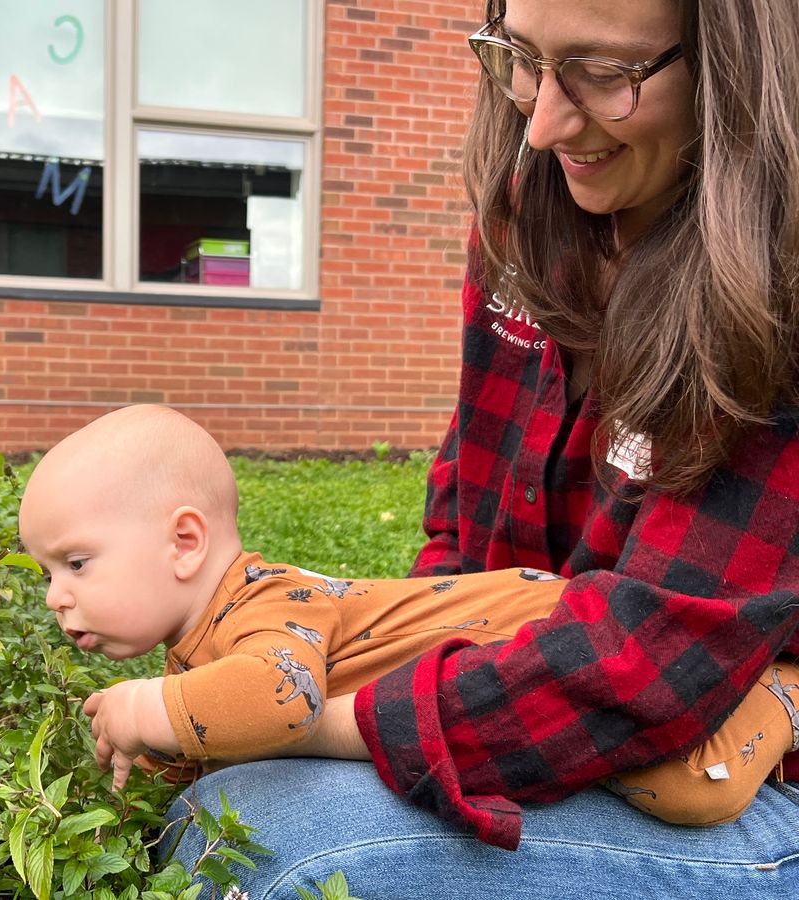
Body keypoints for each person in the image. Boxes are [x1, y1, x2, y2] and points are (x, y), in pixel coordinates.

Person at [160, 0, 799, 896]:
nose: (541, 125)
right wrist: (398, 668)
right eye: (524, 58)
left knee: (271, 846)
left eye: (603, 75)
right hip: (551, 681)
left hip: (720, 759)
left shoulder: (777, 291)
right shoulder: (523, 212)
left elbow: (641, 670)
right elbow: (463, 514)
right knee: (219, 804)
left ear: (735, 70)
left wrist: (319, 724)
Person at [17, 404, 798, 832]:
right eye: (48, 572)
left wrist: (147, 710)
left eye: (77, 563)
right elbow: (208, 746)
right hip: (483, 685)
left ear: (185, 542)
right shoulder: (196, 650)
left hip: (539, 640)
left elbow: (281, 701)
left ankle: (780, 692)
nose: (56, 594)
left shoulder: (268, 603)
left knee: (694, 791)